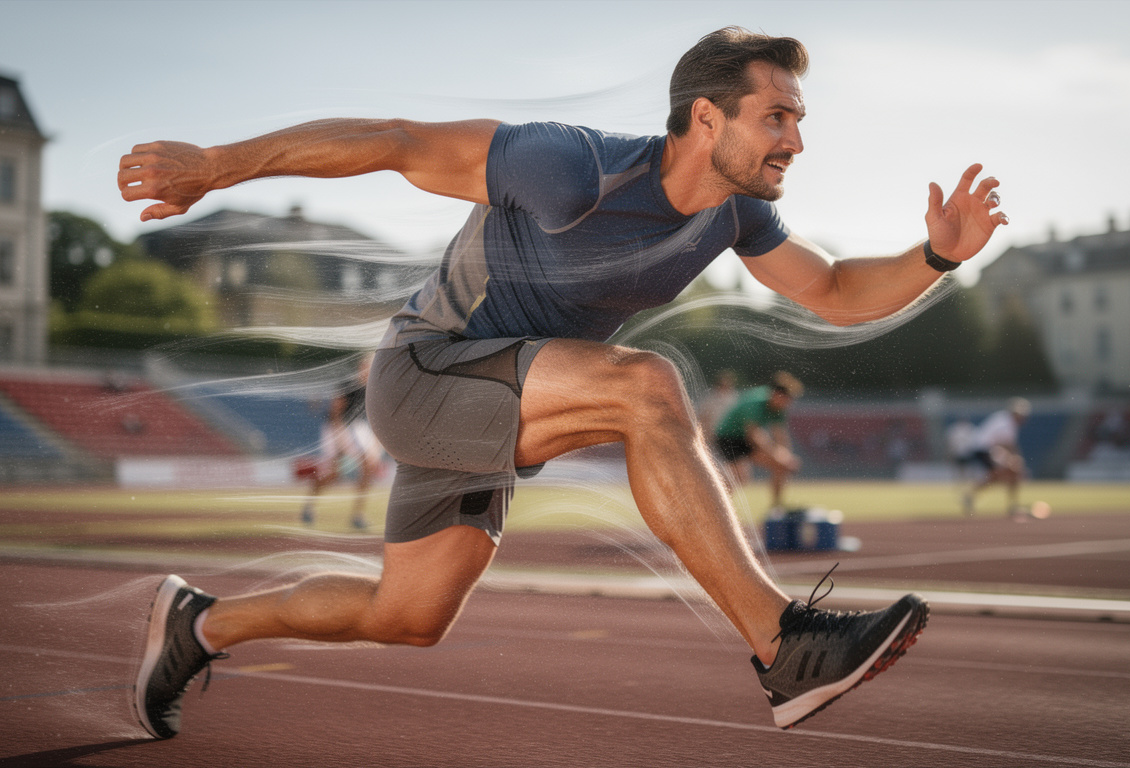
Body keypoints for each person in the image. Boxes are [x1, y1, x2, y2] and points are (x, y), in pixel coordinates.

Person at [118, 27, 1008, 739]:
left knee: (408, 614)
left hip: (504, 397)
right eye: (777, 116)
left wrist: (937, 257)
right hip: (427, 371)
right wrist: (218, 165)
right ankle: (785, 647)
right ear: (706, 118)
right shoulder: (569, 167)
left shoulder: (738, 213)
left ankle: (197, 625)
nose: (797, 139)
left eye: (797, 118)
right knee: (648, 388)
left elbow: (835, 290)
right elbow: (394, 142)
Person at [300, 356, 384, 529]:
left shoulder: (373, 387)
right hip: (338, 427)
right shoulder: (349, 384)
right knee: (333, 474)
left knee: (368, 467)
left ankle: (357, 514)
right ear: (362, 367)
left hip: (356, 427)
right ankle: (310, 505)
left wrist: (375, 443)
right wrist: (341, 439)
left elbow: (374, 417)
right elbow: (335, 414)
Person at [714, 371, 803, 511]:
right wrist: (777, 455)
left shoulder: (779, 408)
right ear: (777, 395)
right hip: (729, 438)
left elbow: (780, 435)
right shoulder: (756, 402)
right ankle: (716, 505)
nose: (787, 404)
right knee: (740, 477)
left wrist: (786, 457)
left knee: (781, 466)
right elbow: (754, 435)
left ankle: (777, 508)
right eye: (786, 400)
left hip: (745, 439)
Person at [960, 397, 1032, 517]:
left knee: (1001, 475)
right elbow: (1006, 444)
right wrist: (1017, 459)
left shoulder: (1005, 419)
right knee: (1010, 471)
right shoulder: (1007, 422)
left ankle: (971, 496)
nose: (1023, 418)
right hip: (983, 449)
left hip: (987, 448)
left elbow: (1004, 444)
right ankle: (1012, 506)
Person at [696, 369, 740, 443]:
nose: (725, 387)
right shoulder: (710, 399)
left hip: (729, 435)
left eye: (727, 385)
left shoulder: (735, 398)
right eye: (722, 385)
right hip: (713, 435)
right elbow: (702, 418)